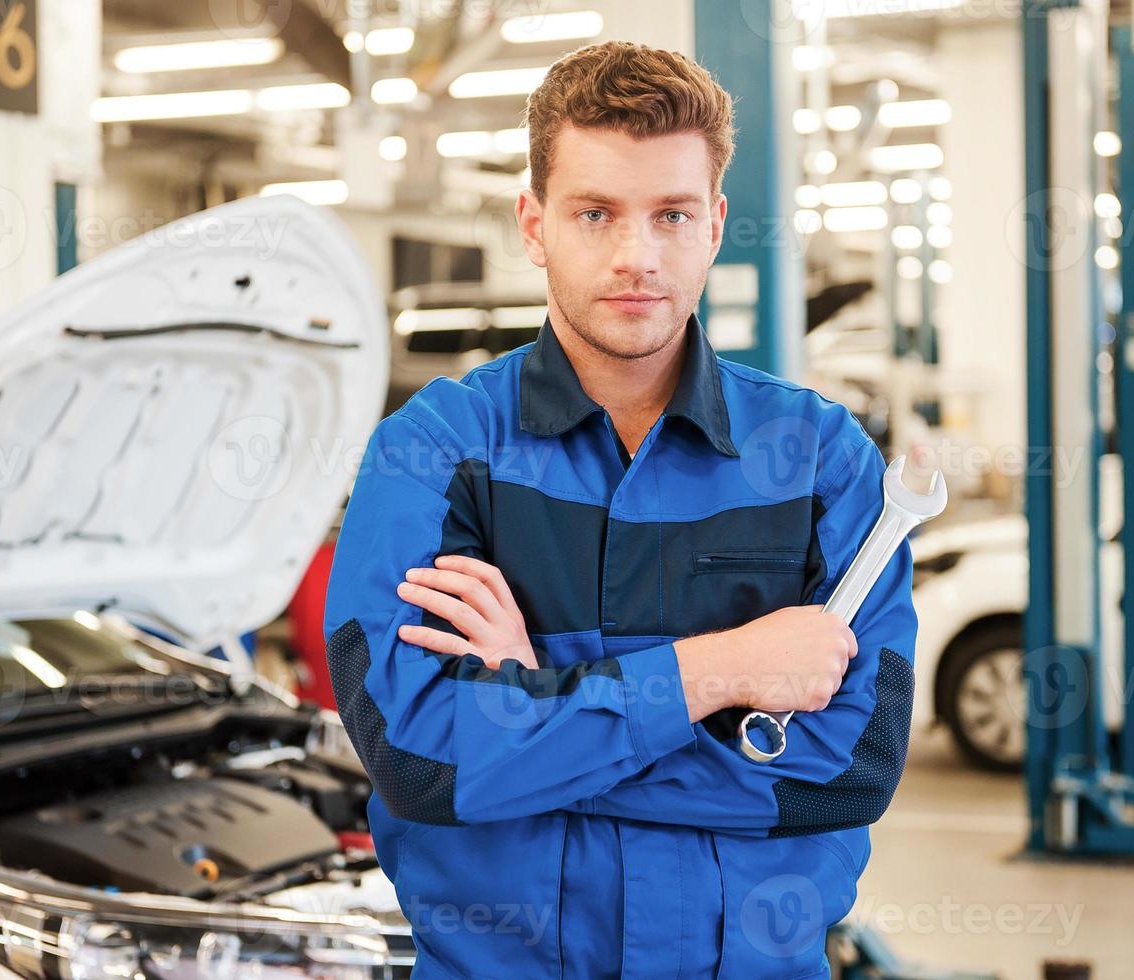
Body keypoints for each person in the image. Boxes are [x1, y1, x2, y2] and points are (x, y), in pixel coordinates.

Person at [323, 40, 917, 979]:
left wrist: (529, 724)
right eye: (594, 213)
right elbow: (419, 758)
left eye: (671, 215)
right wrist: (720, 671)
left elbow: (846, 770)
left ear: (714, 225)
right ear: (533, 222)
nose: (636, 256)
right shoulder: (434, 450)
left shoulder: (818, 462)